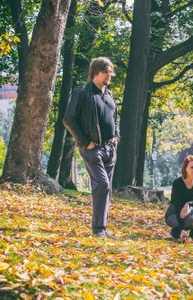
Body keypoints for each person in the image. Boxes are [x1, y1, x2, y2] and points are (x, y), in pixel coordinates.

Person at [63, 57, 119, 239]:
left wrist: (116, 137)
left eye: (111, 72)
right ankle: (98, 230)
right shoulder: (83, 93)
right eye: (107, 72)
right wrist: (84, 141)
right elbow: (68, 119)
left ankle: (101, 228)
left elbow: (115, 119)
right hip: (92, 149)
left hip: (110, 149)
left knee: (105, 188)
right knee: (102, 185)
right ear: (96, 72)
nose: (110, 75)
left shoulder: (109, 95)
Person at [165, 155, 193, 241]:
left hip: (188, 210)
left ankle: (192, 233)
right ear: (185, 168)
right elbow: (178, 207)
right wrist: (182, 229)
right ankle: (176, 231)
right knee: (192, 221)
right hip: (173, 214)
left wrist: (189, 203)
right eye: (192, 167)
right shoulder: (177, 183)